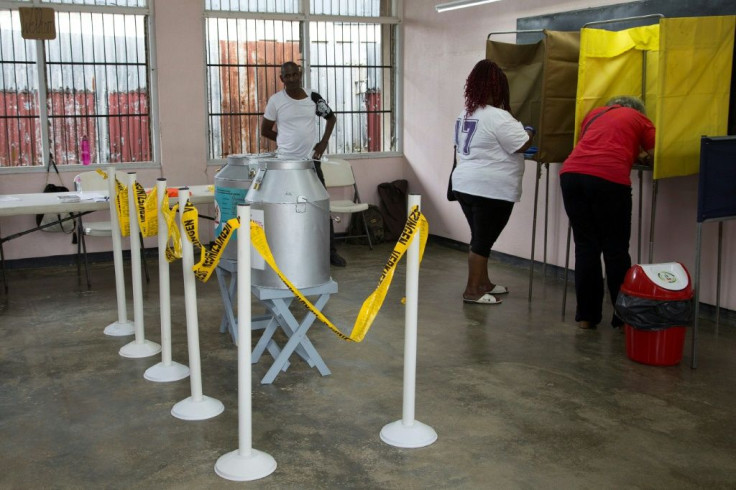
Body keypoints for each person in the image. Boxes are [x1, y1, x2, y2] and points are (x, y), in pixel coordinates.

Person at [559, 95, 655, 330]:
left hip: (571, 175)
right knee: (615, 250)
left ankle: (586, 317)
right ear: (638, 110)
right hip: (609, 180)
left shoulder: (594, 114)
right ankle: (623, 318)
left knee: (585, 247)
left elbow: (595, 144)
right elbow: (657, 153)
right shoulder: (640, 118)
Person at [450, 59, 535, 305]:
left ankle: (484, 283)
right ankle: (472, 290)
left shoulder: (464, 114)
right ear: (498, 88)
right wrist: (529, 130)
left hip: (465, 185)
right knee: (483, 239)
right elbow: (522, 144)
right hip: (491, 189)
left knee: (480, 236)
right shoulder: (498, 116)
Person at [260, 61, 346, 267]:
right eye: (286, 76)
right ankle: (289, 251)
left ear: (300, 74)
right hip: (286, 165)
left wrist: (323, 143)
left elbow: (331, 118)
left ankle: (330, 252)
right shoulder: (275, 101)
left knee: (320, 205)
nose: (290, 79)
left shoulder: (313, 98)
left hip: (311, 163)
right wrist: (283, 140)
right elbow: (265, 130)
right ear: (281, 79)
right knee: (288, 207)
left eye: (293, 75)